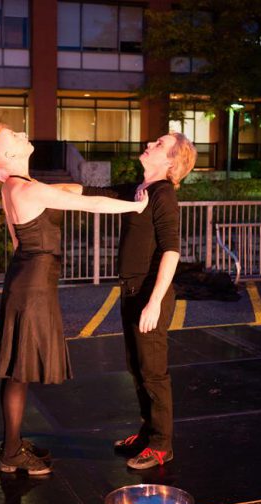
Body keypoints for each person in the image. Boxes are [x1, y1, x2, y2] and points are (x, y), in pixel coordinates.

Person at [0, 124, 148, 476]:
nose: (24, 134)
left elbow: (60, 199)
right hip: (33, 285)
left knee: (16, 371)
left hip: (27, 278)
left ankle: (12, 444)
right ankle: (11, 453)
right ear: (10, 156)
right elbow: (87, 204)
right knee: (18, 371)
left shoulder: (16, 187)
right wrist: (137, 207)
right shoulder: (29, 190)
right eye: (15, 137)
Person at [67, 132, 197, 469]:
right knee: (136, 367)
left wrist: (154, 302)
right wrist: (33, 187)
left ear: (171, 162)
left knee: (153, 371)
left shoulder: (163, 193)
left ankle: (161, 445)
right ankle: (147, 432)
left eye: (159, 145)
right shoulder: (138, 190)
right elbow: (87, 193)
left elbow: (171, 250)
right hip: (131, 290)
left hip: (150, 292)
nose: (150, 144)